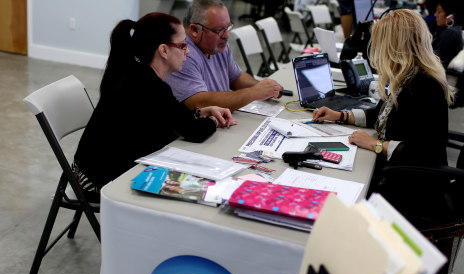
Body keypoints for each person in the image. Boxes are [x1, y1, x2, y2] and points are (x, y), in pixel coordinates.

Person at [73, 13, 237, 202]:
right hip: (97, 181)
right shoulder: (150, 86)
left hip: (88, 168)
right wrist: (214, 120)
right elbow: (195, 132)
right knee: (201, 192)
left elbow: (172, 116)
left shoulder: (136, 72)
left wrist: (200, 112)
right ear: (164, 50)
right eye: (183, 45)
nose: (188, 52)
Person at [313, 9, 454, 228]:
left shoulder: (424, 85)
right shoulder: (407, 76)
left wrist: (374, 144)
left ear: (393, 47)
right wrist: (340, 115)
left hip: (415, 188)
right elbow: (381, 113)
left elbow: (421, 151)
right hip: (401, 174)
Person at [165, 0, 284, 112]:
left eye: (227, 27)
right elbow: (198, 102)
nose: (226, 35)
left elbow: (236, 77)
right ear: (195, 30)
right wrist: (253, 92)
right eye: (219, 30)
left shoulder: (217, 47)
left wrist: (265, 88)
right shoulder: (183, 54)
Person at [432, 0, 463, 68]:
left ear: (451, 16)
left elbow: (434, 61)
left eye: (439, 12)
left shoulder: (449, 34)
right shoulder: (456, 30)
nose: (435, 15)